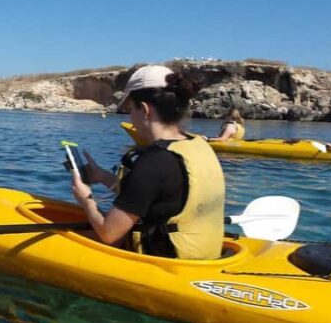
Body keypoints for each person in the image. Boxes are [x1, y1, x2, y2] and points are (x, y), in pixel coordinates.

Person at [70, 65, 225, 260]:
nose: (131, 120)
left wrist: (86, 199)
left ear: (144, 110)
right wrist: (101, 176)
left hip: (168, 263)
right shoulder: (199, 145)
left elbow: (109, 234)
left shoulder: (153, 162)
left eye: (130, 110)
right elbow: (161, 195)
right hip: (207, 254)